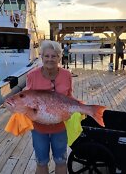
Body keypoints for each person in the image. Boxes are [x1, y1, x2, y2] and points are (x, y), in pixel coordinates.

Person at [26, 40, 73, 174]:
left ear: (59, 57)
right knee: (41, 162)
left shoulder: (67, 75)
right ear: (41, 57)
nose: (50, 59)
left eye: (54, 56)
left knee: (61, 160)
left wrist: (81, 108)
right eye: (47, 56)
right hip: (39, 128)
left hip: (60, 127)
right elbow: (26, 99)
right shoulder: (32, 76)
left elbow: (69, 96)